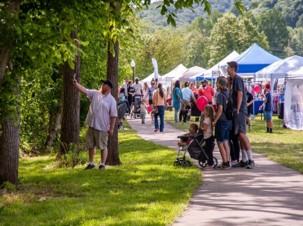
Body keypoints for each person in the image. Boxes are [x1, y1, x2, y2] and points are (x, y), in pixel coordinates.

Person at [73, 79, 117, 170]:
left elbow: (113, 116)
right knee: (91, 144)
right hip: (92, 124)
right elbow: (85, 90)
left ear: (109, 88)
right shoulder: (95, 93)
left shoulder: (111, 100)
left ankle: (102, 164)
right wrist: (76, 84)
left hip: (102, 126)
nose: (102, 85)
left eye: (104, 84)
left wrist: (112, 128)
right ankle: (91, 163)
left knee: (102, 146)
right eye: (103, 84)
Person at [227, 61, 254, 169]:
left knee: (242, 134)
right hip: (239, 110)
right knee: (238, 135)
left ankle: (251, 159)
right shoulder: (234, 80)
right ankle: (244, 159)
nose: (226, 69)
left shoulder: (237, 79)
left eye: (228, 67)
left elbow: (240, 94)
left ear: (232, 68)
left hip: (240, 111)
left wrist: (237, 109)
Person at [212, 77, 232, 169]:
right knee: (226, 141)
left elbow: (220, 110)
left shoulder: (220, 95)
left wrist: (215, 121)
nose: (216, 85)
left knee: (220, 142)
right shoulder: (228, 93)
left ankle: (224, 162)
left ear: (220, 84)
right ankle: (227, 161)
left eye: (217, 83)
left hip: (222, 120)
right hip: (229, 120)